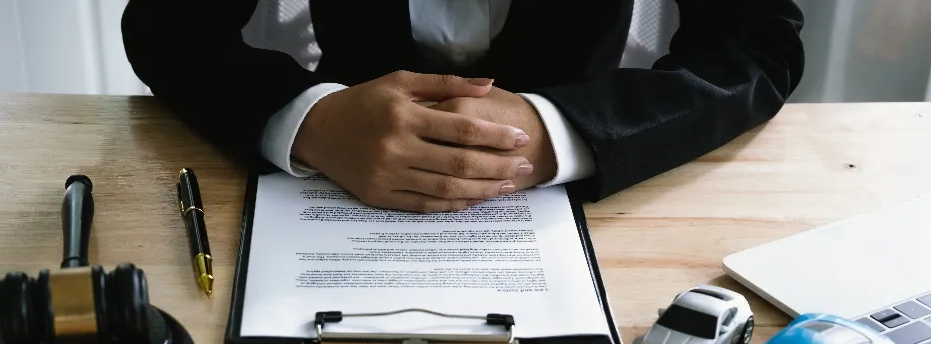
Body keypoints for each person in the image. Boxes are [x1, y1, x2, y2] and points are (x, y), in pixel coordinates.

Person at [121, 0, 806, 213]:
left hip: (607, 214)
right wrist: (312, 121)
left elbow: (755, 44)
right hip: (329, 204)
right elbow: (167, 26)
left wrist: (561, 132)